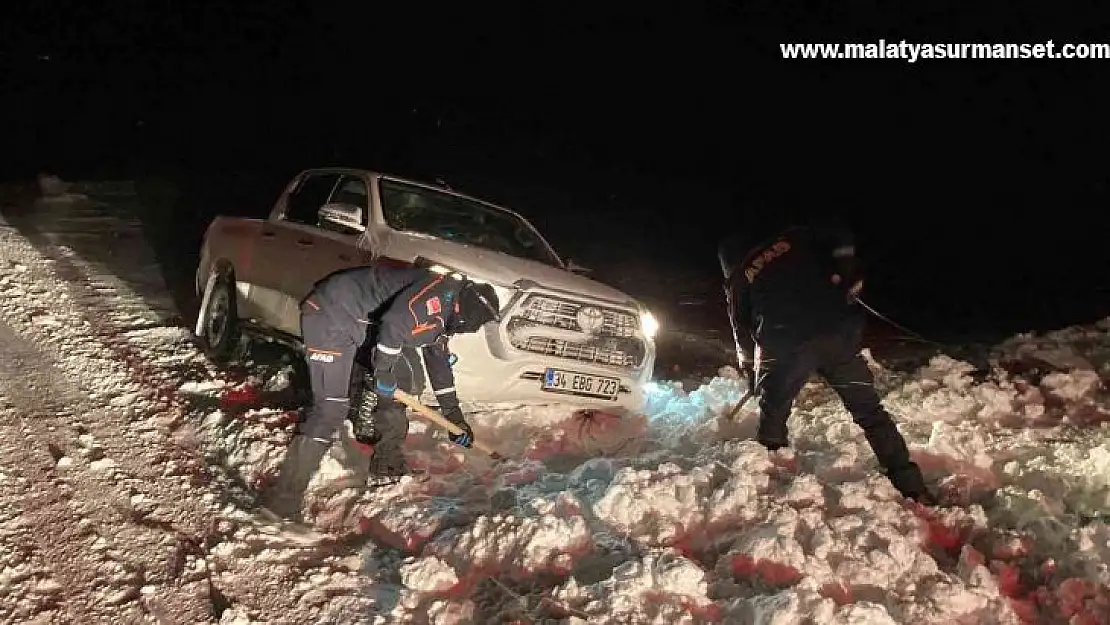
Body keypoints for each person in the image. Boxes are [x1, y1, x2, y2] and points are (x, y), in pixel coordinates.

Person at [718, 217, 937, 505]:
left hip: (787, 347)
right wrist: (845, 265)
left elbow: (742, 333)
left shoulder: (737, 281)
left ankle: (770, 490)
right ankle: (912, 486)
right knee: (871, 412)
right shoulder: (794, 235)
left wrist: (752, 372)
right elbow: (840, 231)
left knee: (774, 413)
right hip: (839, 335)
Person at [258, 264, 502, 521]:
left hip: (363, 325)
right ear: (467, 314)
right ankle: (282, 503)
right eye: (475, 325)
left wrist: (453, 416)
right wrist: (382, 371)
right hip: (332, 314)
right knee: (330, 408)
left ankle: (387, 463)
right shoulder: (438, 295)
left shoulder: (448, 312)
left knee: (404, 377)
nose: (472, 331)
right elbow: (395, 324)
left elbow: (437, 360)